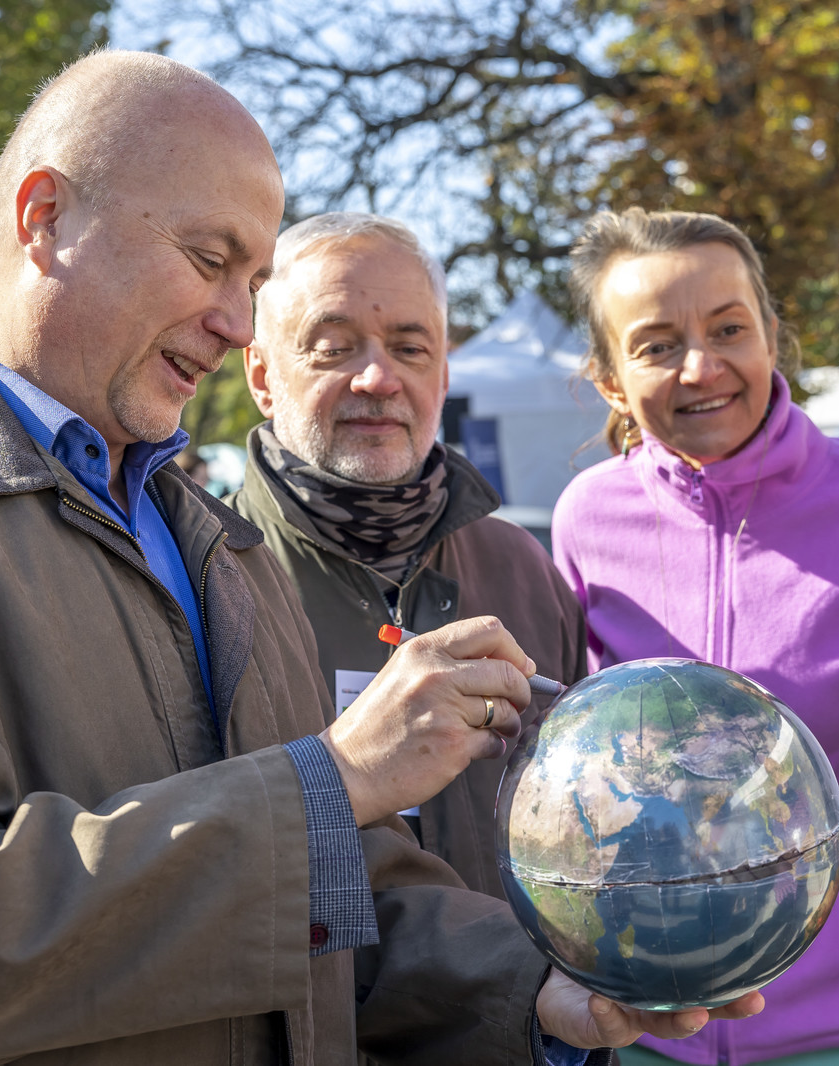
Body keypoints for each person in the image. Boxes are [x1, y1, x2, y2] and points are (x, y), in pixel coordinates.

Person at [0, 52, 760, 1064]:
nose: (239, 322)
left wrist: (541, 986)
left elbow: (338, 897)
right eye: (209, 261)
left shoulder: (214, 541)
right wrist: (335, 777)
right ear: (44, 218)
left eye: (255, 278)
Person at [550, 207, 839, 1066]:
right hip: (650, 1026)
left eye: (729, 329)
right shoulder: (586, 517)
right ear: (611, 380)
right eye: (657, 345)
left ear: (771, 335)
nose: (701, 366)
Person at [230, 212, 586, 896]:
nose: (377, 378)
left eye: (410, 348)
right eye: (333, 348)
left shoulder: (524, 571)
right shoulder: (202, 574)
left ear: (443, 376)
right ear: (263, 376)